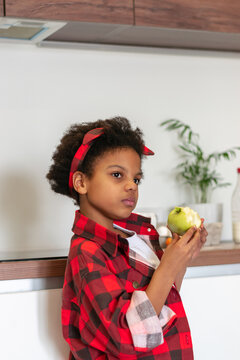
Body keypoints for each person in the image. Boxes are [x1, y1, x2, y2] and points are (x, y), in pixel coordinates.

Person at [46, 116, 207, 360]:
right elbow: (127, 337)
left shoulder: (136, 240)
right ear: (81, 182)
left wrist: (180, 260)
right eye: (117, 175)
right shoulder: (88, 251)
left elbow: (162, 305)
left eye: (136, 178)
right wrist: (168, 265)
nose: (132, 185)